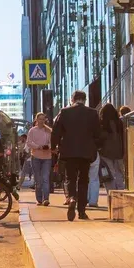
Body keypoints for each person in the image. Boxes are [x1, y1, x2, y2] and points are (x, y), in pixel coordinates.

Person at [51, 91, 105, 221]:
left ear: (72, 99)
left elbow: (56, 131)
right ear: (84, 100)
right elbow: (98, 133)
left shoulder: (64, 112)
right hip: (86, 153)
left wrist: (54, 147)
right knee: (83, 180)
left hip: (69, 152)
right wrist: (95, 147)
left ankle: (71, 198)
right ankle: (82, 211)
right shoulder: (93, 113)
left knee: (70, 178)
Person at [94, 103, 127, 193]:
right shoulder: (119, 123)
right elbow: (124, 137)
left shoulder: (102, 123)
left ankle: (111, 192)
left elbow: (98, 138)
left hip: (105, 152)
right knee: (119, 173)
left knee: (109, 173)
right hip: (119, 151)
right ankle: (121, 191)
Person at [25, 113, 55, 206]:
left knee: (45, 178)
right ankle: (39, 199)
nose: (41, 121)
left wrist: (47, 146)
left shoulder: (49, 131)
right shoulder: (32, 131)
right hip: (36, 157)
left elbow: (53, 143)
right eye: (40, 119)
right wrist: (38, 147)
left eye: (43, 119)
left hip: (47, 158)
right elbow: (29, 142)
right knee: (38, 179)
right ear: (36, 120)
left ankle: (46, 199)